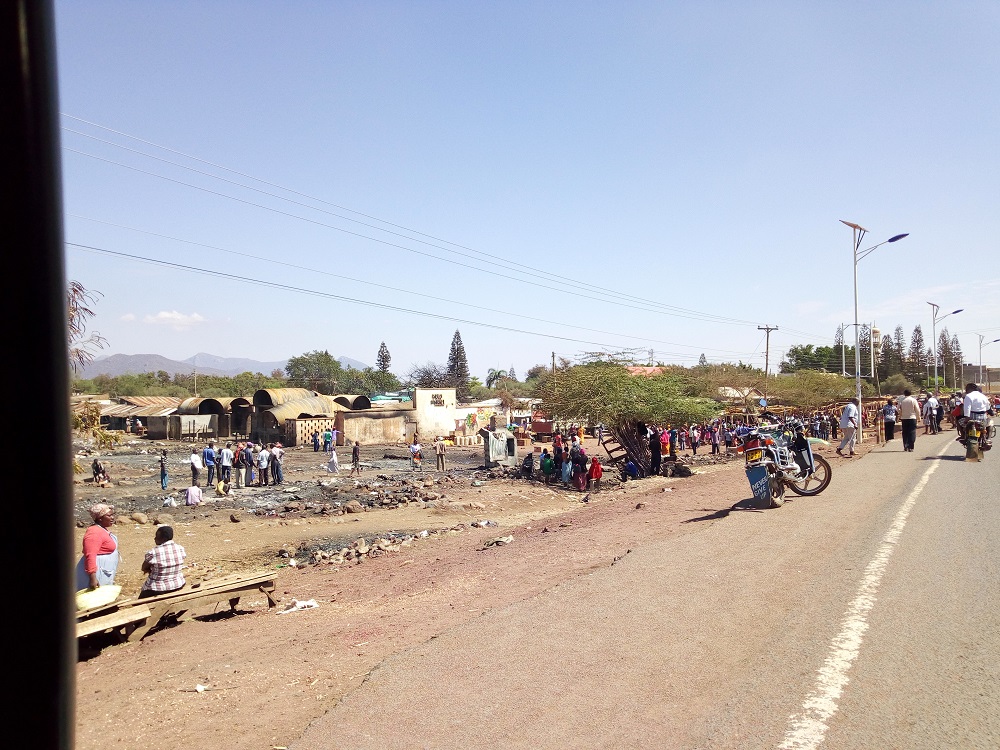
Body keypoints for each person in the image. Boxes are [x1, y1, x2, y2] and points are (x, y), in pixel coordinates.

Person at [76, 504, 120, 590]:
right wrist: (93, 577)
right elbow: (90, 555)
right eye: (109, 515)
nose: (112, 518)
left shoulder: (102, 529)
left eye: (112, 515)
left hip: (104, 571)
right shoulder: (94, 533)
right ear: (100, 518)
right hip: (96, 573)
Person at [138, 526, 186, 598]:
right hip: (178, 584)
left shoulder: (153, 552)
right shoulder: (180, 548)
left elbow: (144, 568)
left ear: (163, 539)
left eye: (157, 536)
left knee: (141, 600)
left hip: (157, 589)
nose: (154, 538)